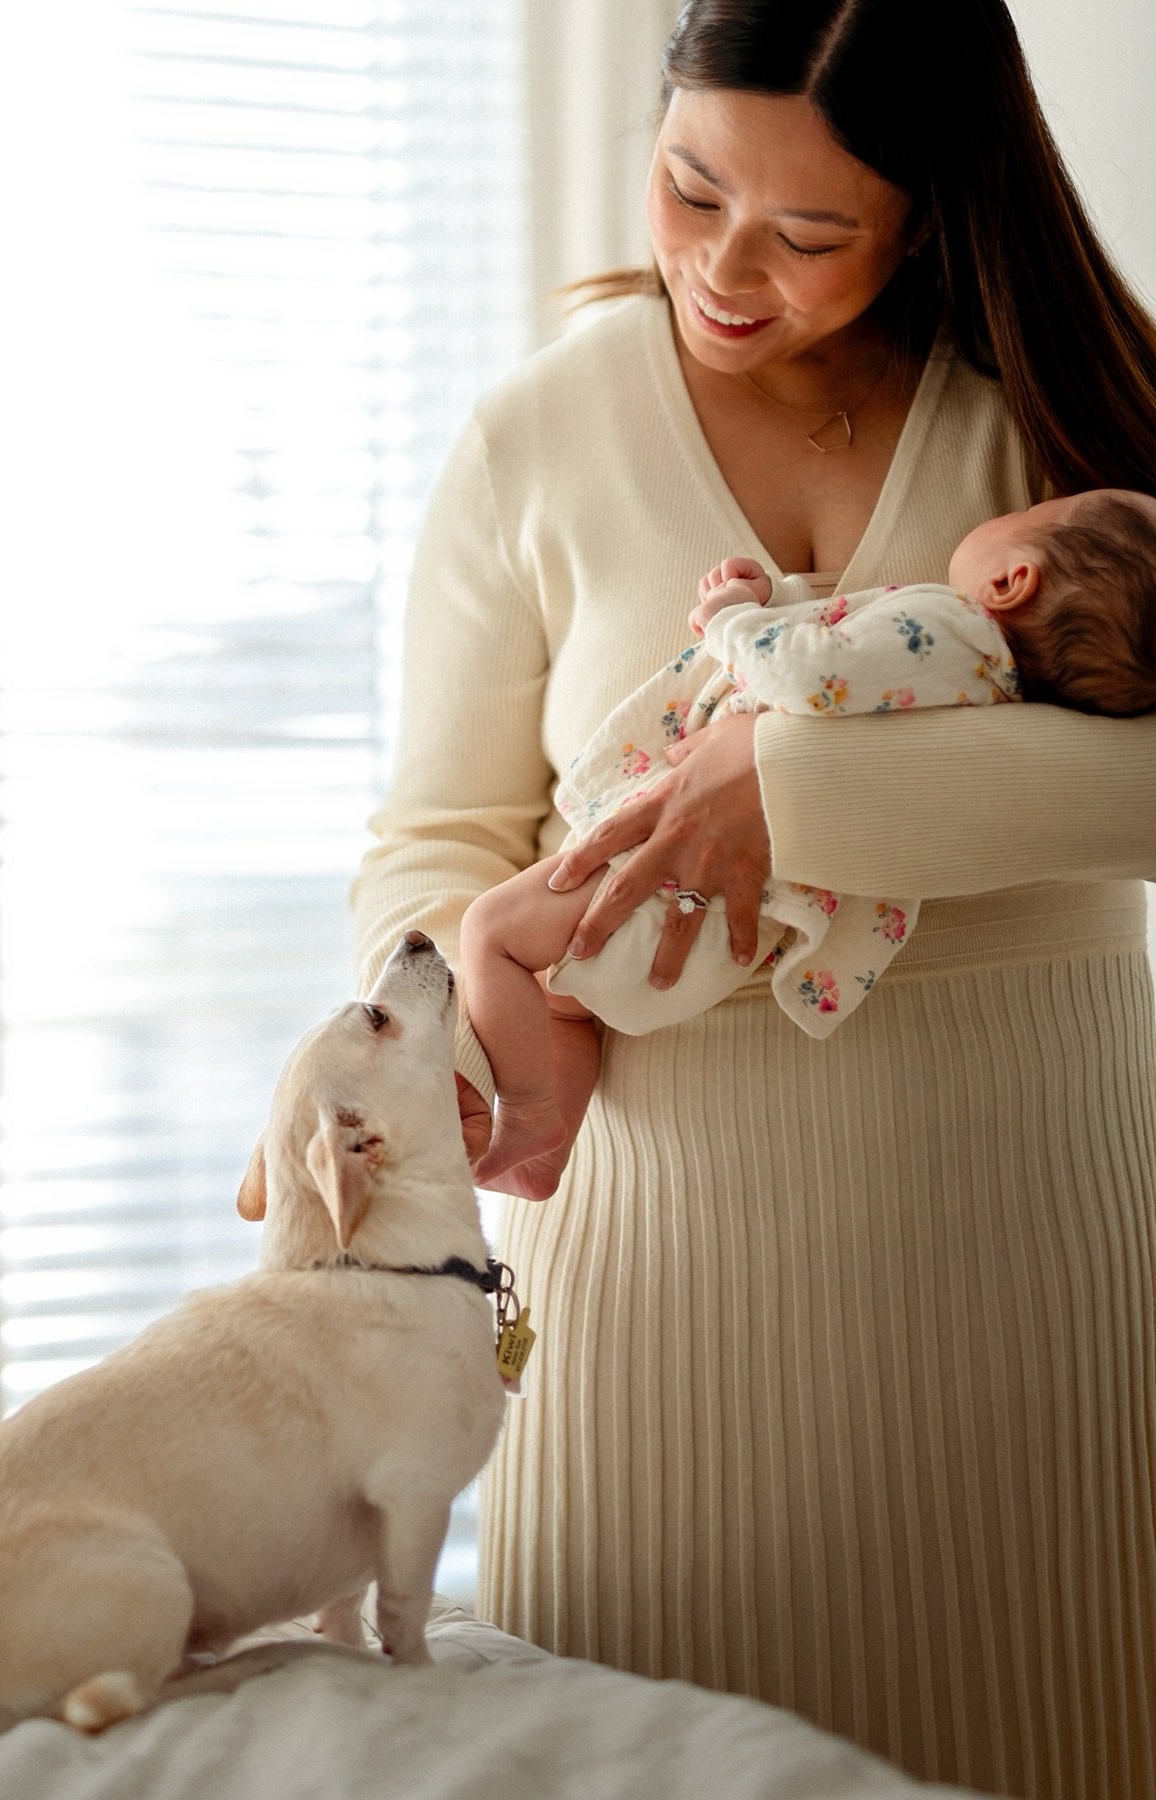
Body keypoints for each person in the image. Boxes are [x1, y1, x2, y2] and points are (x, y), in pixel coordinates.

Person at [349, 2, 1156, 1793]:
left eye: (809, 233)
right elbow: (432, 833)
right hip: (650, 1270)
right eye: (692, 186)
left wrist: (797, 789)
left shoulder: (1067, 408)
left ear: (934, 210)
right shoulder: (539, 435)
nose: (726, 266)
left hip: (1031, 1261)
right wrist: (480, 983)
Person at [462, 490, 1156, 1198]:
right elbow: (848, 674)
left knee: (491, 932)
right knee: (562, 1006)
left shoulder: (952, 628)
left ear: (1012, 581)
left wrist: (731, 614)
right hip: (722, 928)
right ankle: (541, 1156)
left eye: (1034, 514)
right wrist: (782, 600)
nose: (1019, 506)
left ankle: (528, 1111)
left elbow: (808, 673)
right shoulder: (985, 687)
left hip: (666, 885)